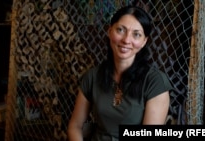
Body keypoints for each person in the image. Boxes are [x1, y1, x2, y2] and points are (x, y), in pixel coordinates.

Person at [67, 5, 173, 141]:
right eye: (121, 30)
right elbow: (75, 126)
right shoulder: (93, 76)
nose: (126, 40)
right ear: (110, 31)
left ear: (144, 41)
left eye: (136, 34)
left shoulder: (155, 82)